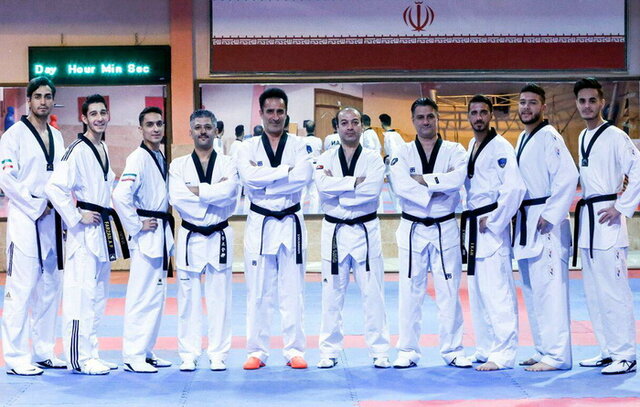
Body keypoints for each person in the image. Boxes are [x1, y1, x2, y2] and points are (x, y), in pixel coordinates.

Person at [46, 94, 130, 375]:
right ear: (83, 118)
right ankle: (79, 358)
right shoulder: (76, 150)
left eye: (103, 112)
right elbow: (54, 188)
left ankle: (92, 352)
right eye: (93, 113)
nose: (99, 118)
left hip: (101, 230)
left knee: (97, 296)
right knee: (80, 296)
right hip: (83, 232)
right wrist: (75, 214)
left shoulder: (102, 147)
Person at [389, 97, 471, 369]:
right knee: (409, 291)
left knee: (449, 290)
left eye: (430, 117)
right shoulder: (402, 152)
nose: (426, 122)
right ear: (413, 121)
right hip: (412, 228)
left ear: (437, 118)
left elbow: (457, 179)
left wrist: (422, 180)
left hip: (444, 227)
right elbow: (401, 185)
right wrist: (438, 187)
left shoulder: (454, 149)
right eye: (420, 117)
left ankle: (453, 349)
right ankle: (407, 350)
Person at [237, 88, 313, 370]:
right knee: (258, 290)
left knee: (293, 290)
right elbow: (248, 178)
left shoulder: (299, 145)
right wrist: (285, 171)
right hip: (261, 224)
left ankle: (294, 350)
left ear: (286, 113)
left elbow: (303, 176)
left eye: (280, 111)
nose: (275, 116)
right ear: (261, 114)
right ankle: (257, 351)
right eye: (270, 111)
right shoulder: (247, 147)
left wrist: (265, 183)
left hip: (291, 222)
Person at [315, 107, 390, 369]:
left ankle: (380, 350)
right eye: (344, 122)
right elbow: (322, 188)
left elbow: (371, 192)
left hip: (365, 231)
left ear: (362, 126)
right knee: (331, 294)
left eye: (355, 122)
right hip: (335, 232)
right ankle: (329, 350)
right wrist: (354, 183)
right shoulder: (325, 158)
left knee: (373, 293)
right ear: (336, 127)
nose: (350, 127)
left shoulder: (373, 159)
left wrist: (339, 189)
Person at [573, 77, 639, 375]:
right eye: (582, 101)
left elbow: (638, 169)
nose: (587, 105)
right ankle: (608, 350)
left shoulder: (615, 136)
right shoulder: (581, 136)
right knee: (594, 291)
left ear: (602, 102)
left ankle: (625, 354)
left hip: (608, 219)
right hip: (588, 220)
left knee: (614, 291)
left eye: (592, 100)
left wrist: (621, 206)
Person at [0, 77, 66, 376]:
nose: (43, 101)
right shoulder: (12, 136)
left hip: (52, 219)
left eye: (48, 96)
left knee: (49, 288)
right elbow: (7, 179)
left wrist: (62, 208)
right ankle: (16, 357)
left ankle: (43, 351)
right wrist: (37, 204)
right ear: (29, 100)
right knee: (21, 288)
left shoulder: (57, 136)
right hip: (26, 218)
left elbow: (62, 176)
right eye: (38, 96)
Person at [512, 84, 578, 372]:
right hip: (527, 220)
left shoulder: (550, 136)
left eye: (532, 103)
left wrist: (550, 214)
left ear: (543, 107)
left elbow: (569, 176)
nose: (526, 107)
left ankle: (557, 356)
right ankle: (543, 349)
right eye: (522, 102)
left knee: (551, 291)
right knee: (533, 290)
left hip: (546, 222)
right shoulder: (522, 138)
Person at [169, 109, 238, 372]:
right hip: (190, 235)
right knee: (188, 298)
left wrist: (197, 192)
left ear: (216, 130)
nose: (203, 132)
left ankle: (218, 353)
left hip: (219, 234)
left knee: (220, 297)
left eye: (208, 127)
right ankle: (188, 353)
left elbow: (230, 192)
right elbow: (177, 198)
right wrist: (213, 193)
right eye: (197, 127)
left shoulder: (228, 163)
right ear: (190, 132)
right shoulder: (178, 165)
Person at [462, 94, 525, 371]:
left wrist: (496, 220)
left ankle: (504, 353)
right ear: (469, 116)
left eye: (483, 112)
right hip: (475, 225)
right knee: (478, 291)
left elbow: (515, 188)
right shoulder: (471, 145)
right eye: (474, 112)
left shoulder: (501, 147)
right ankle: (486, 347)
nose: (478, 117)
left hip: (490, 226)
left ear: (490, 115)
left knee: (498, 291)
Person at [112, 107, 174, 373]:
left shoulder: (159, 155)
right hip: (147, 233)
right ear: (141, 129)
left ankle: (146, 350)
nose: (156, 128)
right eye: (149, 124)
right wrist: (136, 224)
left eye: (159, 123)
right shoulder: (137, 158)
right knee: (141, 296)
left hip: (159, 232)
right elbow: (120, 195)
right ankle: (133, 354)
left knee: (156, 296)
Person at [301, 120, 322, 213]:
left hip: (305, 166)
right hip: (315, 166)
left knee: (302, 192)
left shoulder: (301, 140)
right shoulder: (318, 141)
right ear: (314, 129)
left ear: (306, 129)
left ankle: (300, 212)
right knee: (314, 193)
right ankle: (314, 213)